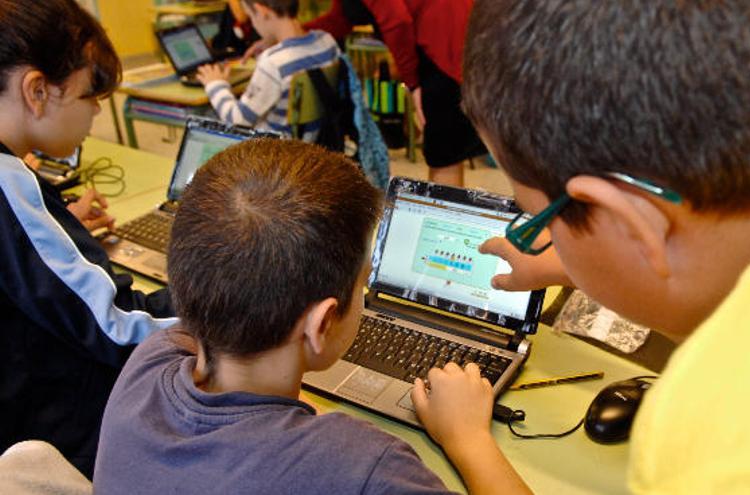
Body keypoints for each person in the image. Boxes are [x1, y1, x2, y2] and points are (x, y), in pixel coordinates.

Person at [414, 0, 750, 494]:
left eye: (535, 222)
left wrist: (469, 441)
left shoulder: (741, 449)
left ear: (634, 227)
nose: (548, 244)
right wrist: (564, 263)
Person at [93, 139, 530, 495]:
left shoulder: (149, 361)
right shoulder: (365, 469)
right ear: (321, 325)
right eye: (363, 286)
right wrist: (468, 438)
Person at [0, 0, 177, 478]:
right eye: (88, 95)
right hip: (59, 444)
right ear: (37, 90)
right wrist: (237, 301)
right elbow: (118, 326)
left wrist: (54, 226)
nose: (97, 111)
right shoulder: (9, 183)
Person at [305, 0, 487, 187]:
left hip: (444, 46)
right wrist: (294, 33)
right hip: (447, 39)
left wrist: (412, 82)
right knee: (447, 149)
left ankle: (444, 213)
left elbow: (397, 22)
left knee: (445, 153)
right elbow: (341, 19)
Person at [197, 0, 341, 138]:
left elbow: (238, 120)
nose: (253, 24)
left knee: (205, 116)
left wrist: (215, 84)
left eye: (251, 16)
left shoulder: (273, 62)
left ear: (262, 11)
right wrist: (274, 42)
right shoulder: (327, 41)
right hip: (315, 142)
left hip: (274, 151)